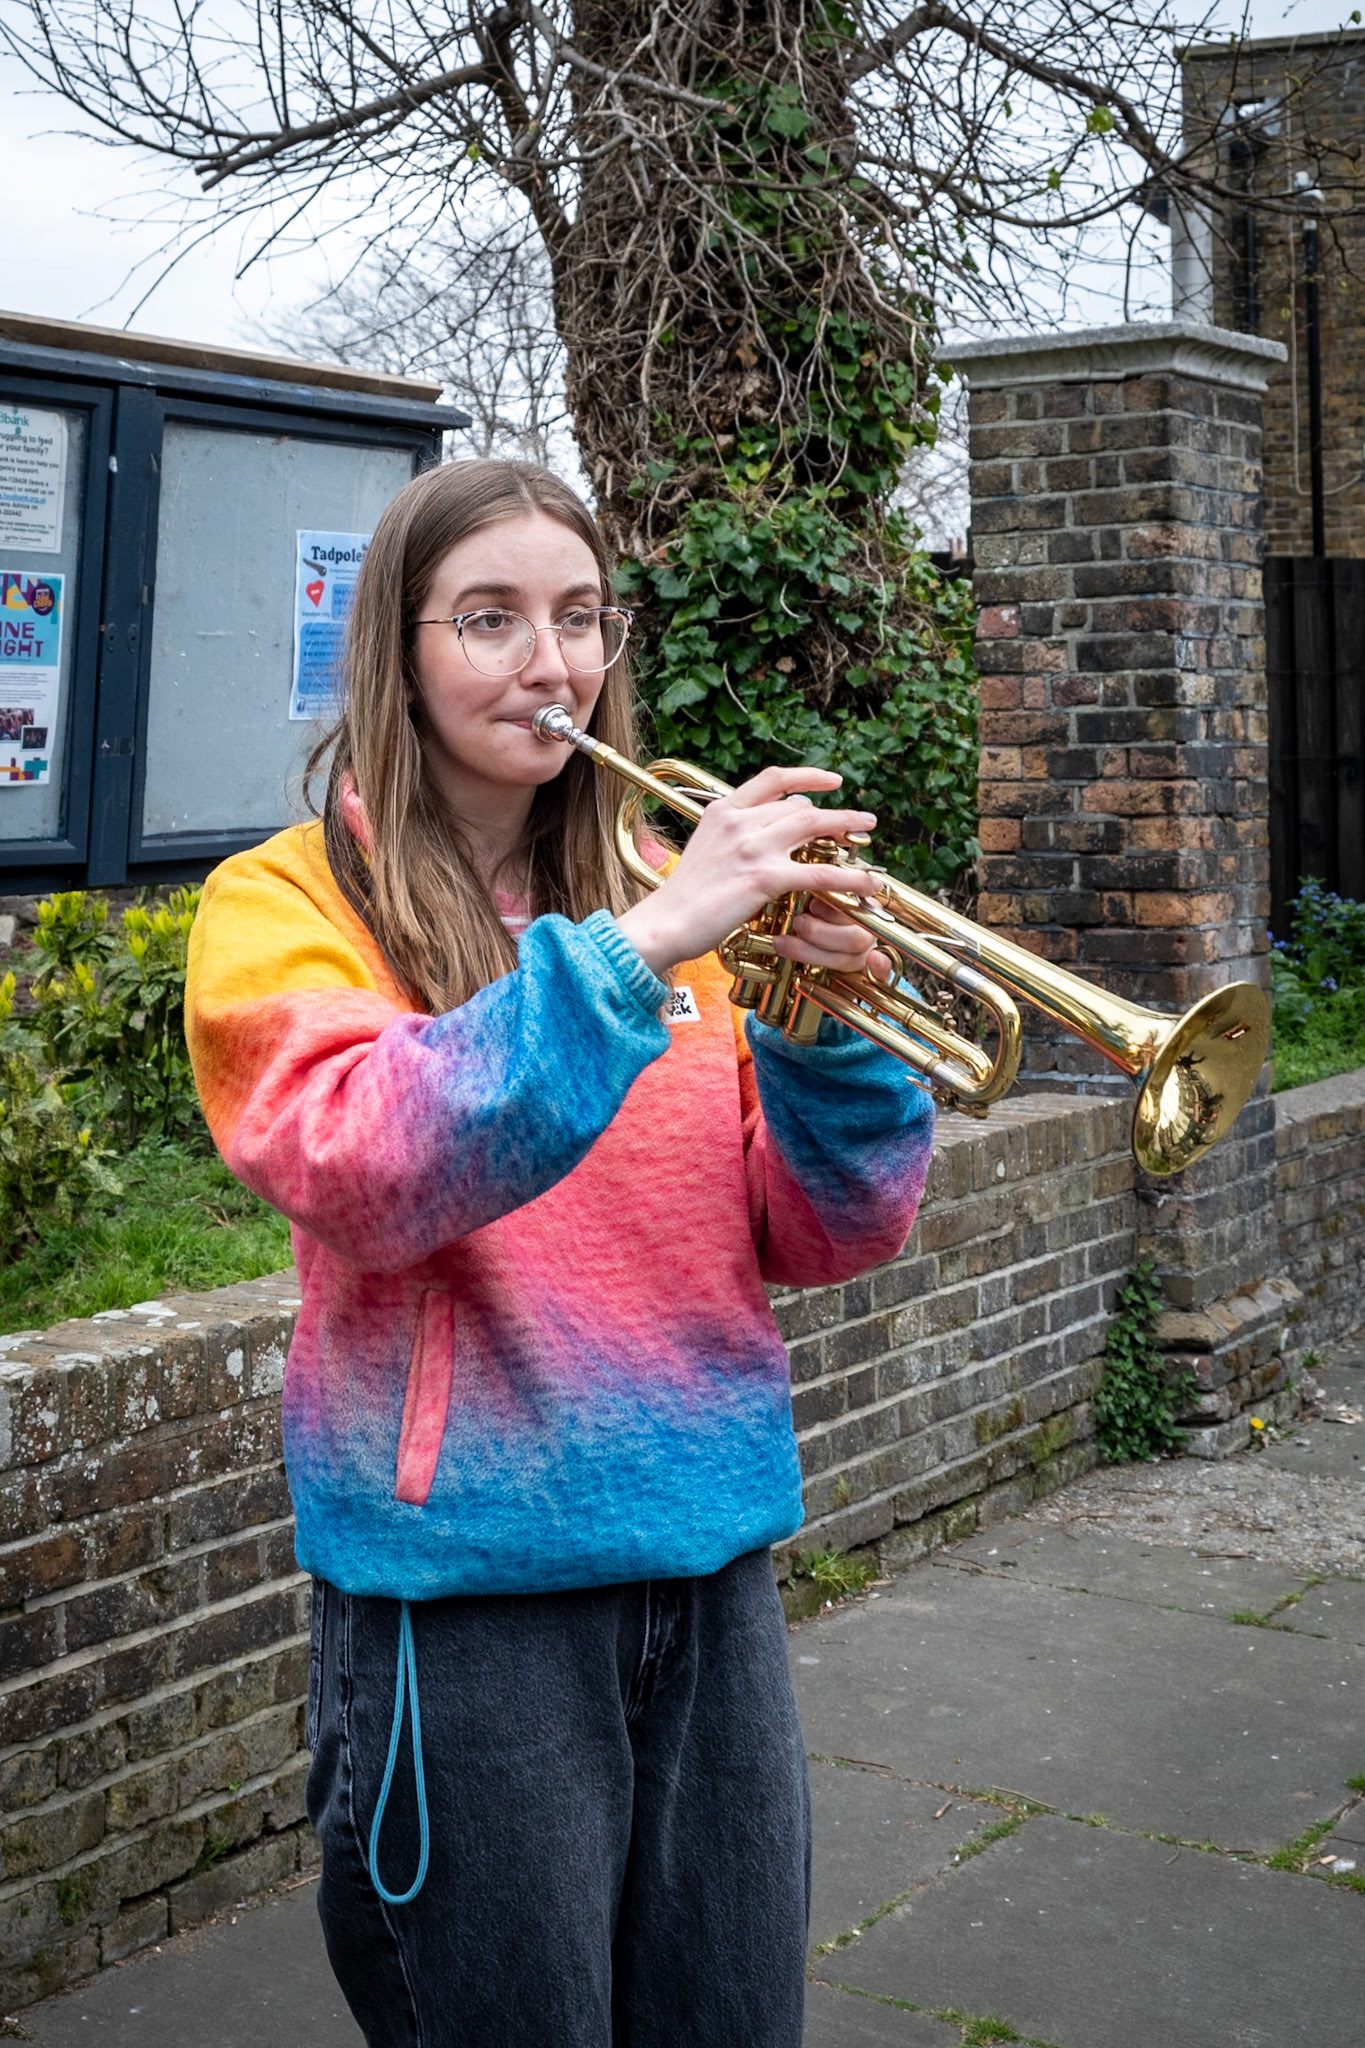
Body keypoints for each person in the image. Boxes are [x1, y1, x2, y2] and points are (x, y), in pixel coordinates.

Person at [185, 458, 935, 2048]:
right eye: (491, 619)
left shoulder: (665, 902)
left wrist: (826, 1039)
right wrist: (637, 950)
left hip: (707, 1568)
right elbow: (364, 1166)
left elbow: (822, 1232)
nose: (551, 662)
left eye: (580, 618)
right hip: (468, 1603)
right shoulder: (285, 904)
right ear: (396, 650)